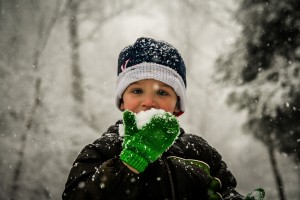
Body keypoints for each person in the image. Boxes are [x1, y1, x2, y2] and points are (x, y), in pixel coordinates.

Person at [62, 37, 265, 200]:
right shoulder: (103, 150)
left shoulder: (199, 151)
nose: (149, 101)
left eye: (162, 93)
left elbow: (224, 189)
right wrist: (131, 162)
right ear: (122, 100)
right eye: (137, 90)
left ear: (177, 105)